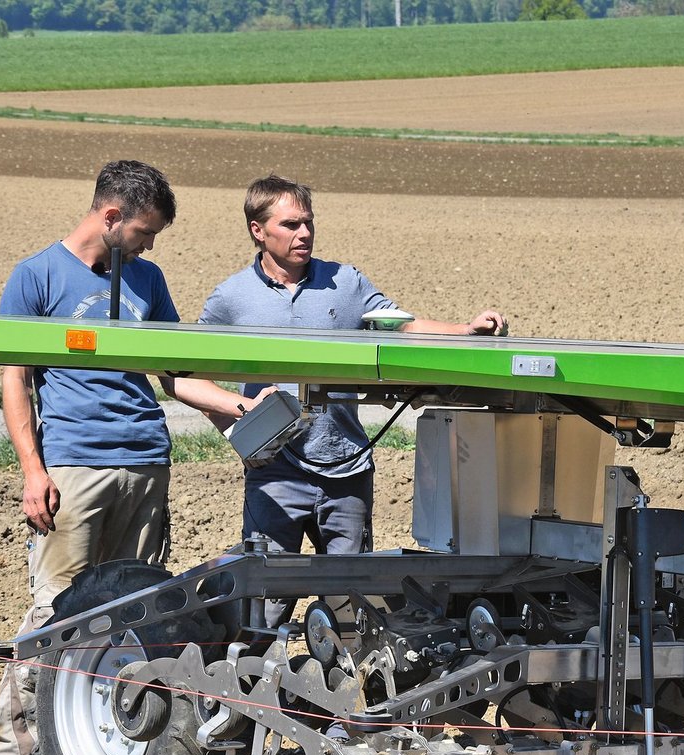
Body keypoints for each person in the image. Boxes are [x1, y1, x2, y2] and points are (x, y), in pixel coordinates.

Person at [0, 160, 258, 755]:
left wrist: (237, 407)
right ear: (110, 216)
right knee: (54, 616)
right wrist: (32, 470)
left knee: (136, 618)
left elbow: (175, 374)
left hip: (144, 464)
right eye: (145, 230)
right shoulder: (38, 277)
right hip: (73, 468)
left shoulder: (147, 281)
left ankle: (110, 749)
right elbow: (14, 378)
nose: (150, 244)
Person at [199, 174, 506, 626]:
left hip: (346, 469)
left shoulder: (345, 282)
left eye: (308, 223)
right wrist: (236, 423)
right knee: (262, 604)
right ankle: (249, 685)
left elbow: (401, 326)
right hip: (273, 475)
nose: (303, 233)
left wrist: (465, 331)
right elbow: (187, 375)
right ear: (257, 231)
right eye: (290, 224)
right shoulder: (231, 299)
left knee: (352, 605)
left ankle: (341, 687)